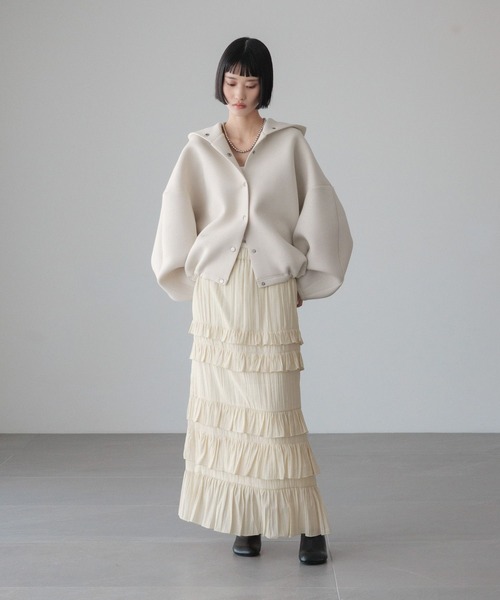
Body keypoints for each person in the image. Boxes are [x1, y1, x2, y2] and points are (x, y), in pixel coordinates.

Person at [152, 37, 352, 565]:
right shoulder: (198, 148)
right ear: (220, 82)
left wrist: (301, 281)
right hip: (218, 294)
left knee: (274, 411)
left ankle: (309, 527)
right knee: (227, 412)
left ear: (265, 86)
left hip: (268, 289)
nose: (238, 93)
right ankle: (246, 520)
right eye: (230, 81)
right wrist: (191, 279)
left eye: (250, 82)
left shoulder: (289, 145)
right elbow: (176, 216)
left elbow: (322, 212)